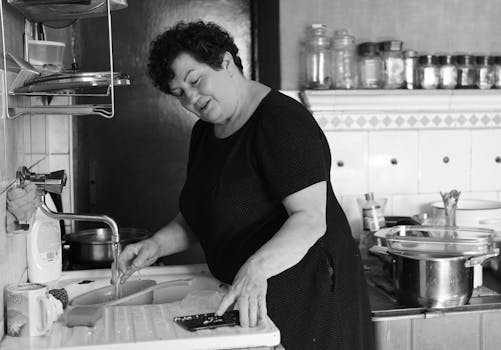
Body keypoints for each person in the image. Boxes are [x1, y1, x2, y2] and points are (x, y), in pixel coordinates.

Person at [117, 20, 374, 350]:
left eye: (195, 80)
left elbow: (310, 220)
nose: (192, 98)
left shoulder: (280, 123)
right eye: (180, 94)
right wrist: (155, 246)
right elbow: (203, 217)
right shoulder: (205, 133)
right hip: (252, 301)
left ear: (225, 62)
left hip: (309, 300)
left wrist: (255, 269)